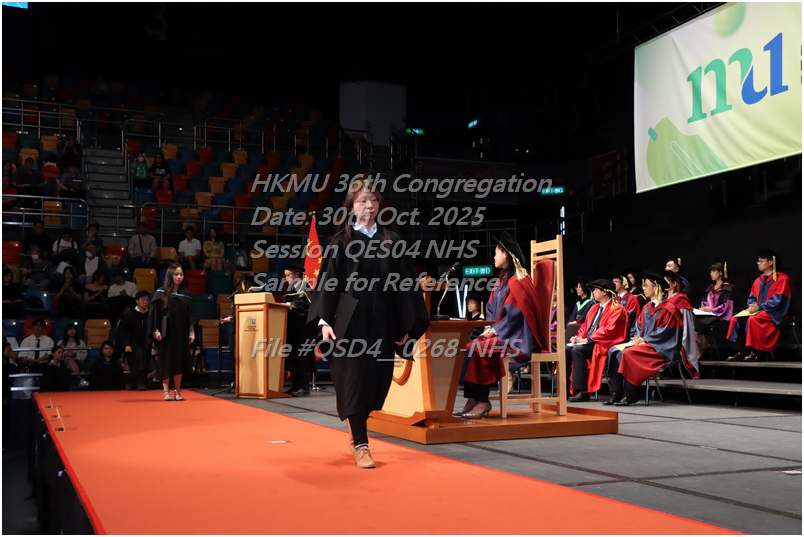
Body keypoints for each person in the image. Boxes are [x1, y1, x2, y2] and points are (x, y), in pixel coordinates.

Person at [307, 179, 429, 469]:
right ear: (351, 205)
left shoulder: (392, 241)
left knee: (375, 384)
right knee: (353, 383)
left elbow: (406, 286)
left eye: (373, 200)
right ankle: (361, 444)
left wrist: (407, 326)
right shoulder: (341, 242)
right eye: (362, 200)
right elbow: (328, 283)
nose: (369, 205)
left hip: (382, 324)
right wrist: (324, 321)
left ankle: (357, 432)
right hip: (349, 324)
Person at [458, 231, 543, 418]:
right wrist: (489, 328)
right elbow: (490, 308)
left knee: (480, 349)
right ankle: (472, 398)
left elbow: (515, 315)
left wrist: (494, 330)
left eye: (496, 252)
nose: (494, 256)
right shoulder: (501, 280)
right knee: (469, 347)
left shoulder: (518, 281)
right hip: (501, 333)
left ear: (506, 254)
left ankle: (482, 401)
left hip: (516, 336)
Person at [606, 272, 687, 406]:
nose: (643, 288)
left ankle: (630, 393)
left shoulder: (669, 308)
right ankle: (616, 392)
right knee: (614, 350)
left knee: (628, 352)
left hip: (661, 348)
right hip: (645, 344)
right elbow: (638, 326)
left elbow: (665, 333)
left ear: (656, 288)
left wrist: (644, 340)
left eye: (646, 285)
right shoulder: (646, 307)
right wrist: (637, 339)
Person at [565, 279, 628, 402]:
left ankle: (581, 391)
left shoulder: (617, 309)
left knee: (577, 351)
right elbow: (584, 327)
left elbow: (608, 330)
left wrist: (586, 340)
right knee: (567, 349)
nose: (593, 292)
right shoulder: (594, 308)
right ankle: (565, 389)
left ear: (604, 292)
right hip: (590, 342)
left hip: (606, 343)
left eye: (595, 290)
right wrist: (578, 338)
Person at [727, 249, 793, 362]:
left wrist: (760, 307)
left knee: (753, 319)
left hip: (775, 312)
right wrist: (752, 306)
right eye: (758, 261)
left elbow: (778, 300)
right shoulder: (758, 280)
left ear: (770, 262)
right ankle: (742, 351)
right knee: (736, 319)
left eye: (761, 261)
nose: (758, 263)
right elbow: (751, 297)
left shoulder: (782, 279)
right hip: (760, 310)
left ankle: (756, 352)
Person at [147, 264, 195, 401]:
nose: (179, 277)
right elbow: (154, 314)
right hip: (165, 332)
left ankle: (178, 392)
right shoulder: (161, 292)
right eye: (176, 274)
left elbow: (190, 315)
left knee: (179, 362)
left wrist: (191, 332)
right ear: (170, 275)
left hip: (181, 332)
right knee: (166, 362)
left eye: (181, 274)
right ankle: (165, 392)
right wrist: (155, 331)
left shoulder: (186, 294)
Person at [281, 264, 314, 397]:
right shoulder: (292, 290)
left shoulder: (305, 288)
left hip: (303, 330)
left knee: (302, 357)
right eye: (285, 275)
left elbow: (308, 308)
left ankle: (304, 387)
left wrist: (291, 306)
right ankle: (296, 385)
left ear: (297, 274)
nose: (287, 278)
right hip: (292, 329)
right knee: (293, 357)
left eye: (288, 275)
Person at [695, 261, 737, 359]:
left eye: (714, 271)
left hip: (720, 317)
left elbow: (727, 307)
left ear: (721, 272)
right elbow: (704, 302)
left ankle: (701, 350)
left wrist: (712, 310)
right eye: (711, 272)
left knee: (697, 324)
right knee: (694, 321)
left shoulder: (728, 289)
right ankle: (700, 349)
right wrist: (703, 309)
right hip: (708, 316)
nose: (711, 274)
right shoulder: (710, 289)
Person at [115, 291, 150, 391]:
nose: (145, 302)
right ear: (137, 301)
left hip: (147, 342)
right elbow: (124, 331)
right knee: (138, 361)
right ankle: (138, 383)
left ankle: (141, 383)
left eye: (147, 300)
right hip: (133, 343)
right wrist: (126, 344)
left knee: (145, 362)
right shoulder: (129, 315)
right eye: (143, 300)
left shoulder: (150, 314)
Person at [613, 272, 642, 337]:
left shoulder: (633, 299)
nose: (613, 284)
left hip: (629, 333)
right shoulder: (614, 299)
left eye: (616, 282)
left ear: (624, 284)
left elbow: (630, 318)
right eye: (613, 282)